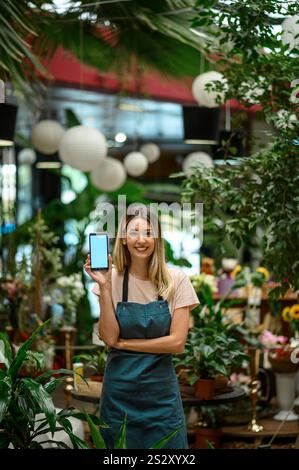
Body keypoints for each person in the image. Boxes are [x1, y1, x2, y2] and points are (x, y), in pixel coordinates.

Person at [84, 207, 199, 449]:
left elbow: (177, 343)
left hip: (161, 396)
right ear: (124, 239)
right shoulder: (111, 279)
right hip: (119, 395)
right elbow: (109, 336)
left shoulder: (176, 280)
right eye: (133, 232)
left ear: (157, 239)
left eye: (148, 232)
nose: (141, 239)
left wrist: (126, 345)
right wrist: (104, 287)